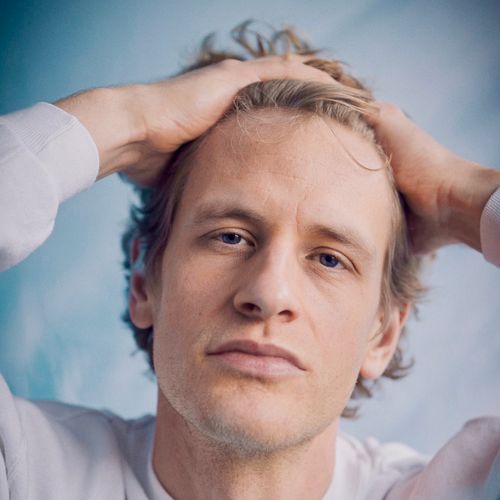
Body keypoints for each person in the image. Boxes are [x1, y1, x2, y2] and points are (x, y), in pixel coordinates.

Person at [1, 23, 499, 500]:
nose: (269, 293)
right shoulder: (28, 472)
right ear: (144, 282)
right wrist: (131, 120)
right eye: (231, 237)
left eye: (330, 259)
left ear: (383, 334)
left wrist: (458, 196)